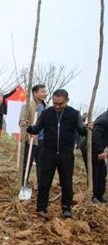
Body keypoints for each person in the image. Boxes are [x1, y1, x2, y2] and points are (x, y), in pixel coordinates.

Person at [26, 89, 87, 218]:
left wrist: (88, 128)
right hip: (48, 153)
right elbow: (36, 129)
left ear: (67, 101)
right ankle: (41, 208)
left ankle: (66, 208)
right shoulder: (47, 113)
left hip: (66, 154)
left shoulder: (74, 114)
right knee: (44, 182)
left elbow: (82, 130)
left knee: (66, 182)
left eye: (60, 104)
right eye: (55, 103)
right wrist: (28, 127)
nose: (57, 106)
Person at [19, 84, 48, 186]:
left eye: (45, 91)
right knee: (26, 164)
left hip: (44, 141)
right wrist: (27, 134)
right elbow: (22, 122)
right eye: (42, 91)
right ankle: (22, 184)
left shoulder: (47, 107)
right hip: (31, 140)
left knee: (42, 166)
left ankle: (42, 187)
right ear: (35, 93)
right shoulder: (28, 105)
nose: (45, 94)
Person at [80, 110, 108, 203]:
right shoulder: (103, 120)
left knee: (103, 172)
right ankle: (93, 196)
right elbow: (96, 137)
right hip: (90, 148)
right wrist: (99, 152)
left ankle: (100, 195)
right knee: (94, 172)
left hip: (98, 148)